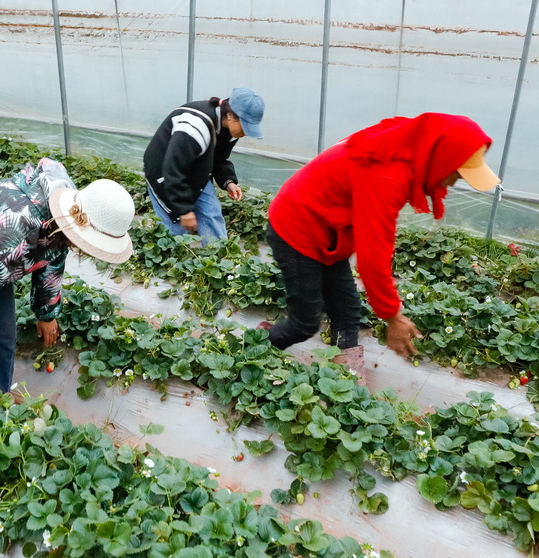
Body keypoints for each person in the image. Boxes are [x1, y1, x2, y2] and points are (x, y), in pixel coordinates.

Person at [260, 113, 501, 378]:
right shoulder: (386, 177)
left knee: (347, 311)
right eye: (457, 172)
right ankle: (252, 349)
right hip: (297, 229)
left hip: (329, 229)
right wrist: (392, 317)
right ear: (441, 158)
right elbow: (372, 257)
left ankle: (346, 379)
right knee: (304, 324)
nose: (457, 180)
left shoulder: (407, 146)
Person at [0, 157, 136, 392]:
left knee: (4, 340)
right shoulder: (14, 227)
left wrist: (46, 313)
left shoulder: (62, 215)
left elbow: (52, 257)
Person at [144, 87, 265, 245]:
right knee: (176, 227)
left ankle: (218, 260)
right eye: (245, 126)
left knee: (211, 214)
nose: (246, 133)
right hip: (164, 173)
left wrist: (228, 181)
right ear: (230, 116)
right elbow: (173, 170)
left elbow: (220, 157)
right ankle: (167, 259)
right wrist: (184, 210)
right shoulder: (194, 126)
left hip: (195, 170)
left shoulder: (230, 130)